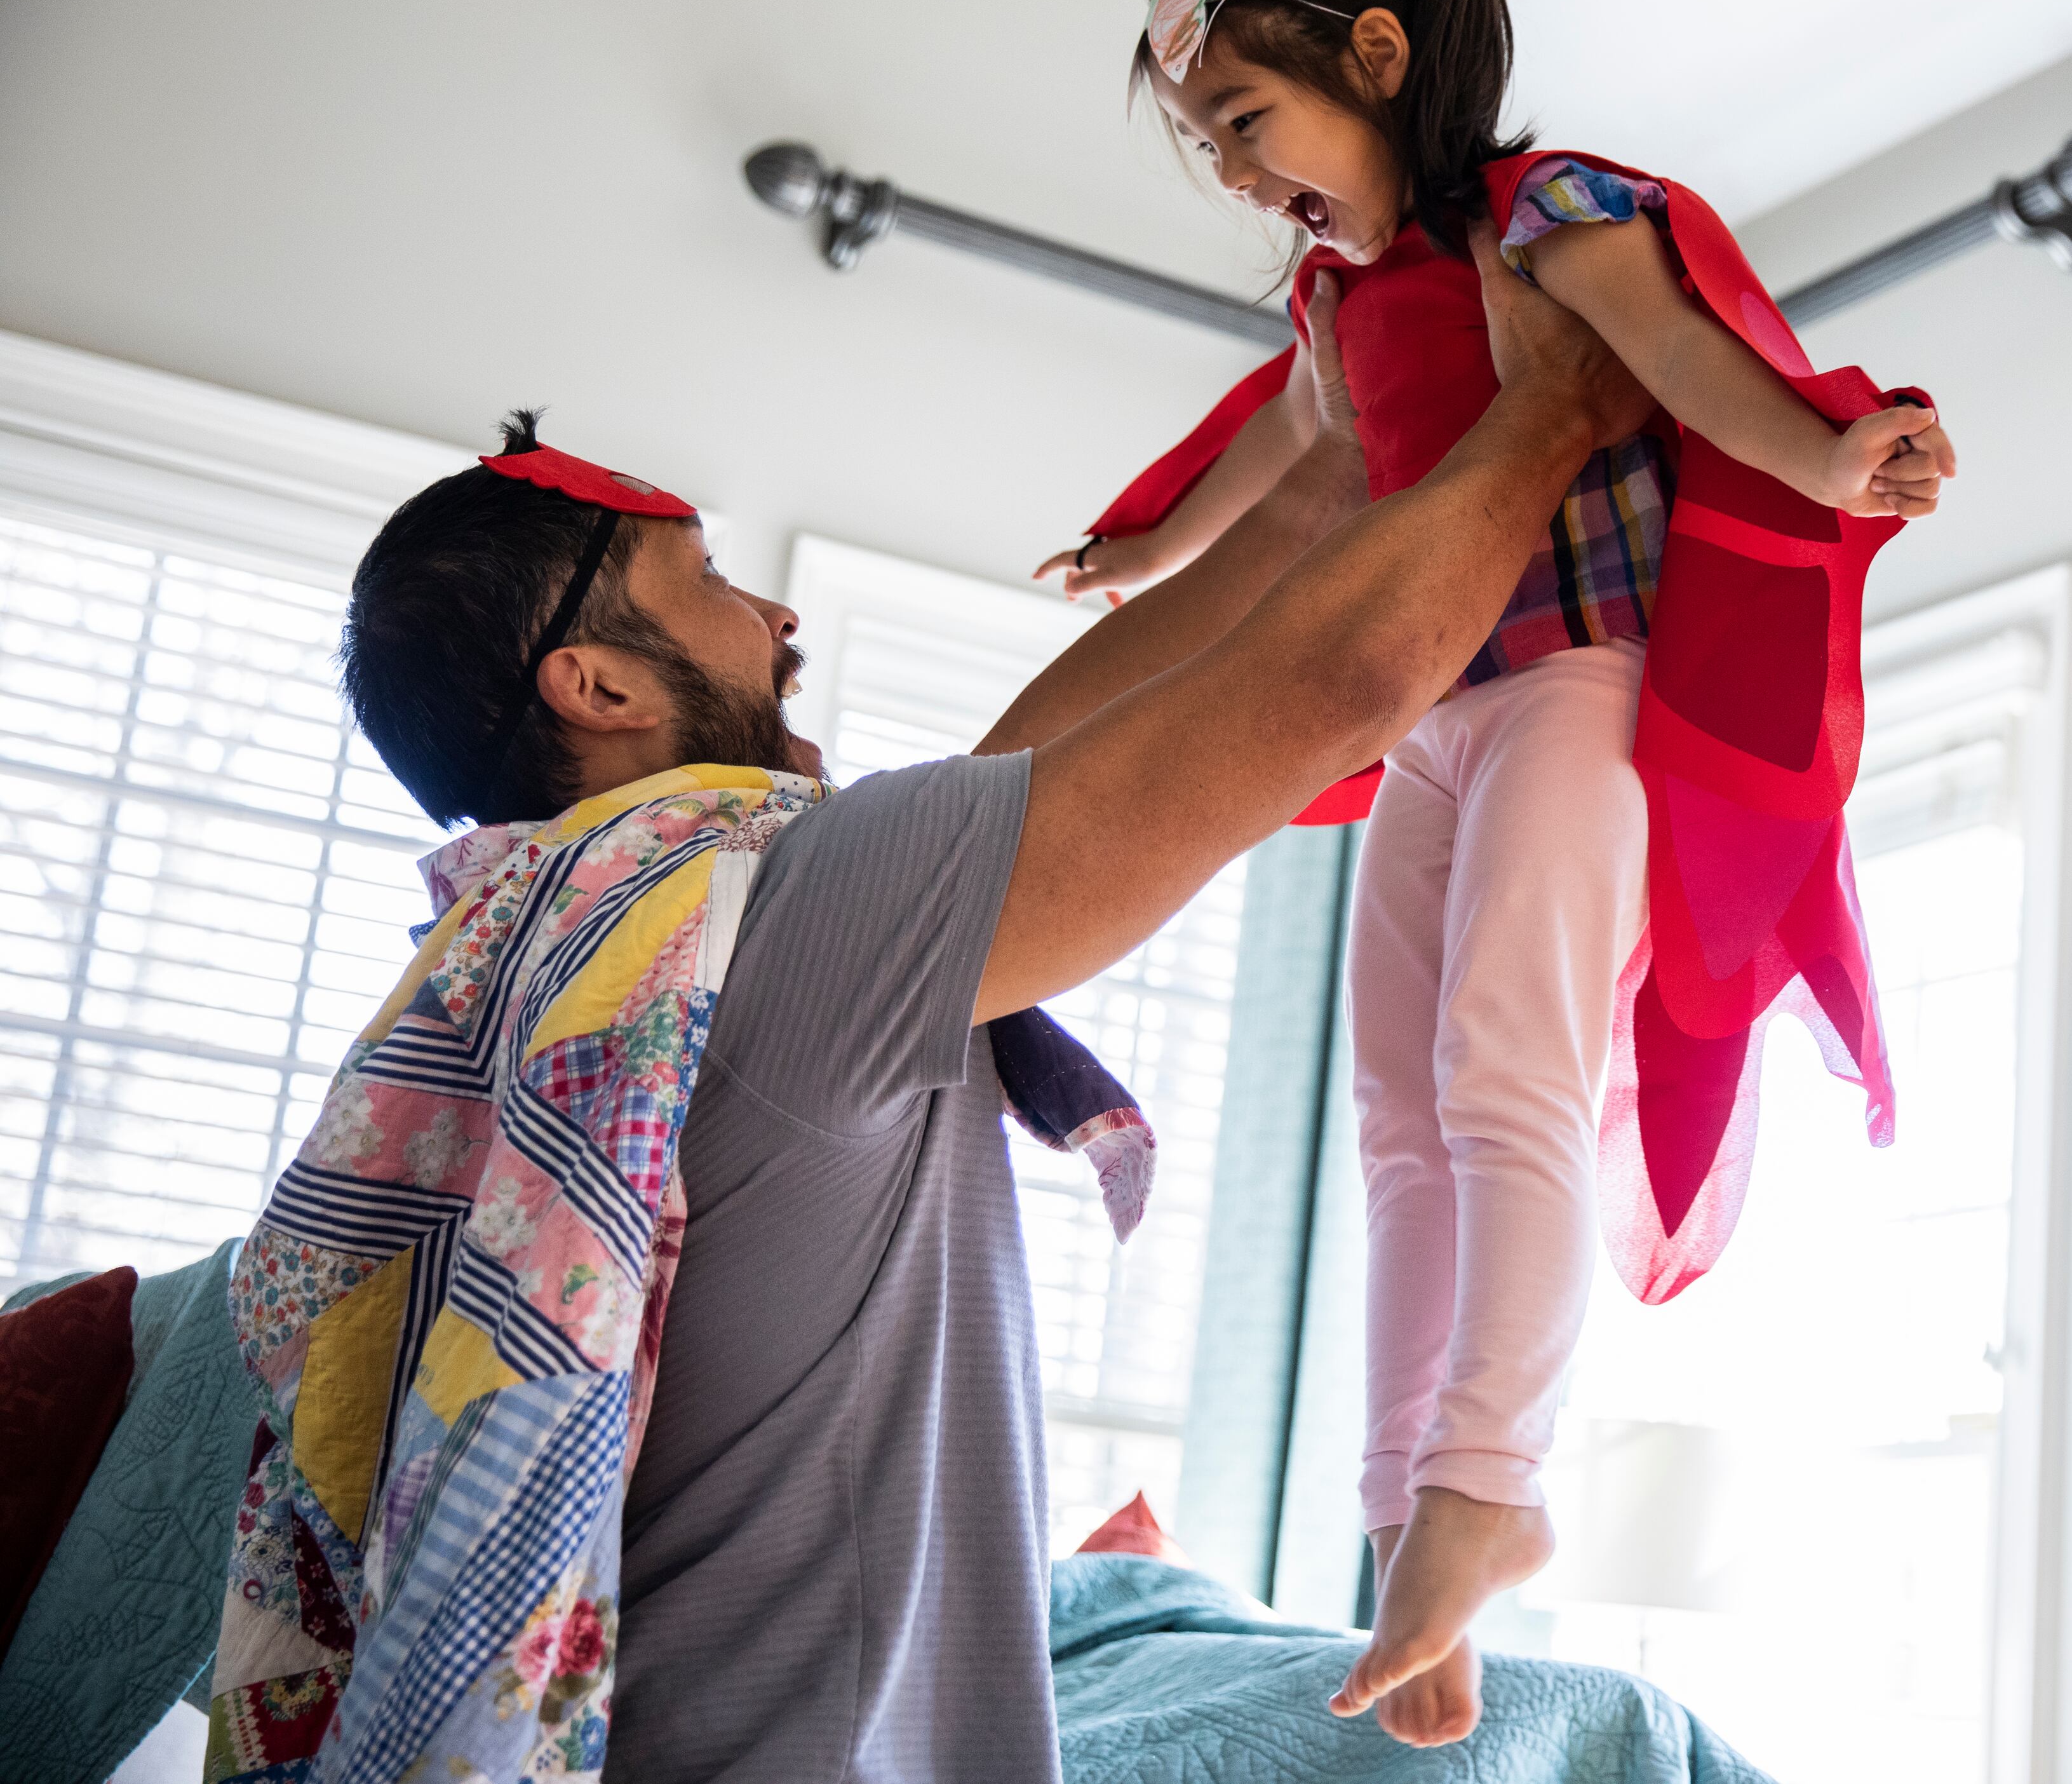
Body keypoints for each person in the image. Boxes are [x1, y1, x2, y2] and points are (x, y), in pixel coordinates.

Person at [199, 245, 1654, 1784]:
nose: (773, 617)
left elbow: (1053, 751)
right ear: (598, 686)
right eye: (703, 579)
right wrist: (1554, 406)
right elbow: (1348, 674)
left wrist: (1332, 455)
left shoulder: (592, 957)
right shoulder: (779, 906)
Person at [1068, 0, 1956, 1746]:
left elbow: (1695, 363)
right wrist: (1140, 558)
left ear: (1378, 52)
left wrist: (1838, 444)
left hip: (1579, 679)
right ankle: (1406, 1517)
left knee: (1508, 1068)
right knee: (1395, 1110)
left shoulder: (1544, 219)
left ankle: (1493, 1473)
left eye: (1247, 116)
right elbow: (1277, 453)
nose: (1235, 170)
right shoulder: (1338, 294)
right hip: (1436, 713)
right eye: (1209, 139)